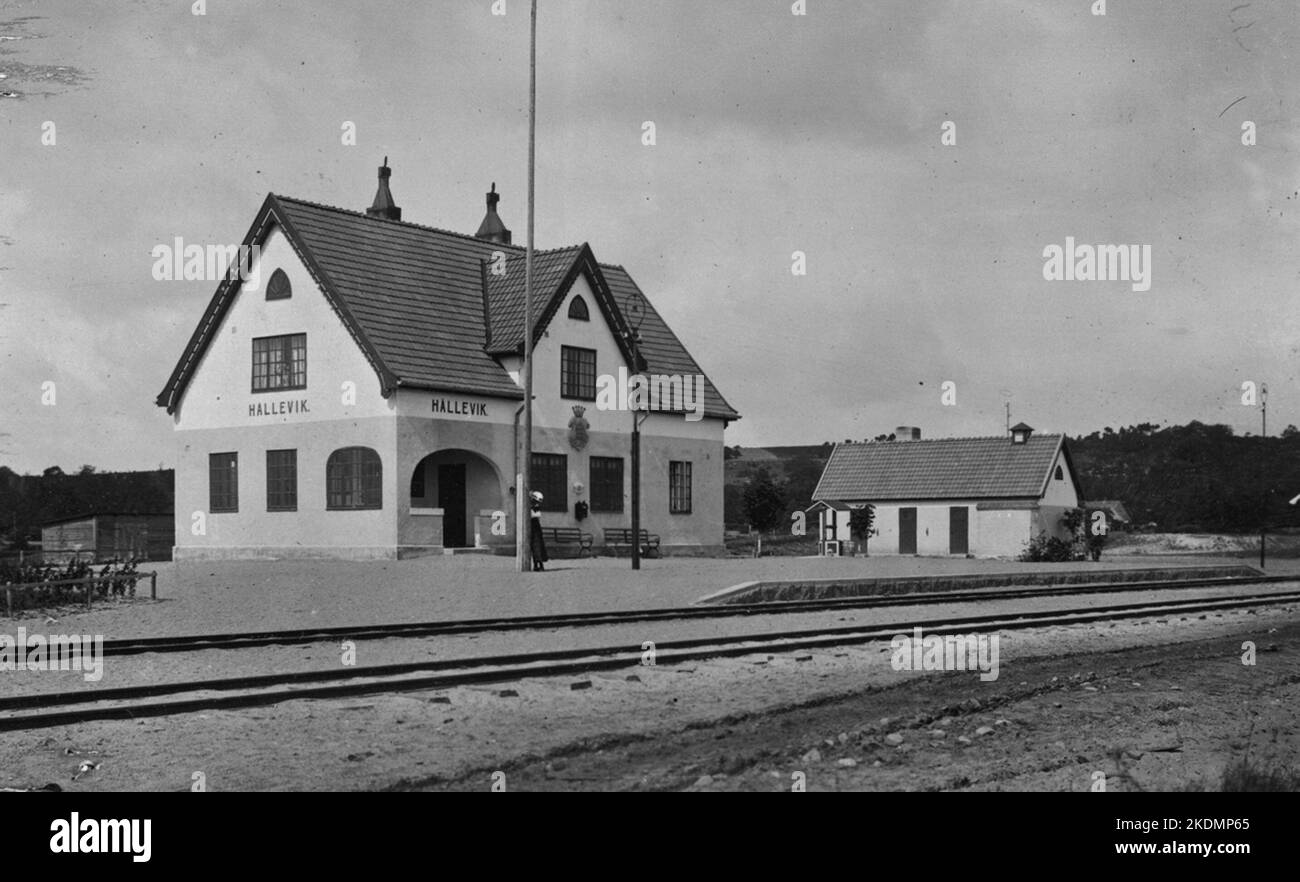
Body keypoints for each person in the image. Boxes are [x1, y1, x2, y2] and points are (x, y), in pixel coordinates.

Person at [529, 490, 549, 572]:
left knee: (537, 547)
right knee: (535, 548)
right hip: (533, 528)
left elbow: (535, 515)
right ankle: (537, 565)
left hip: (535, 528)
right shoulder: (533, 506)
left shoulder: (535, 507)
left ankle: (539, 565)